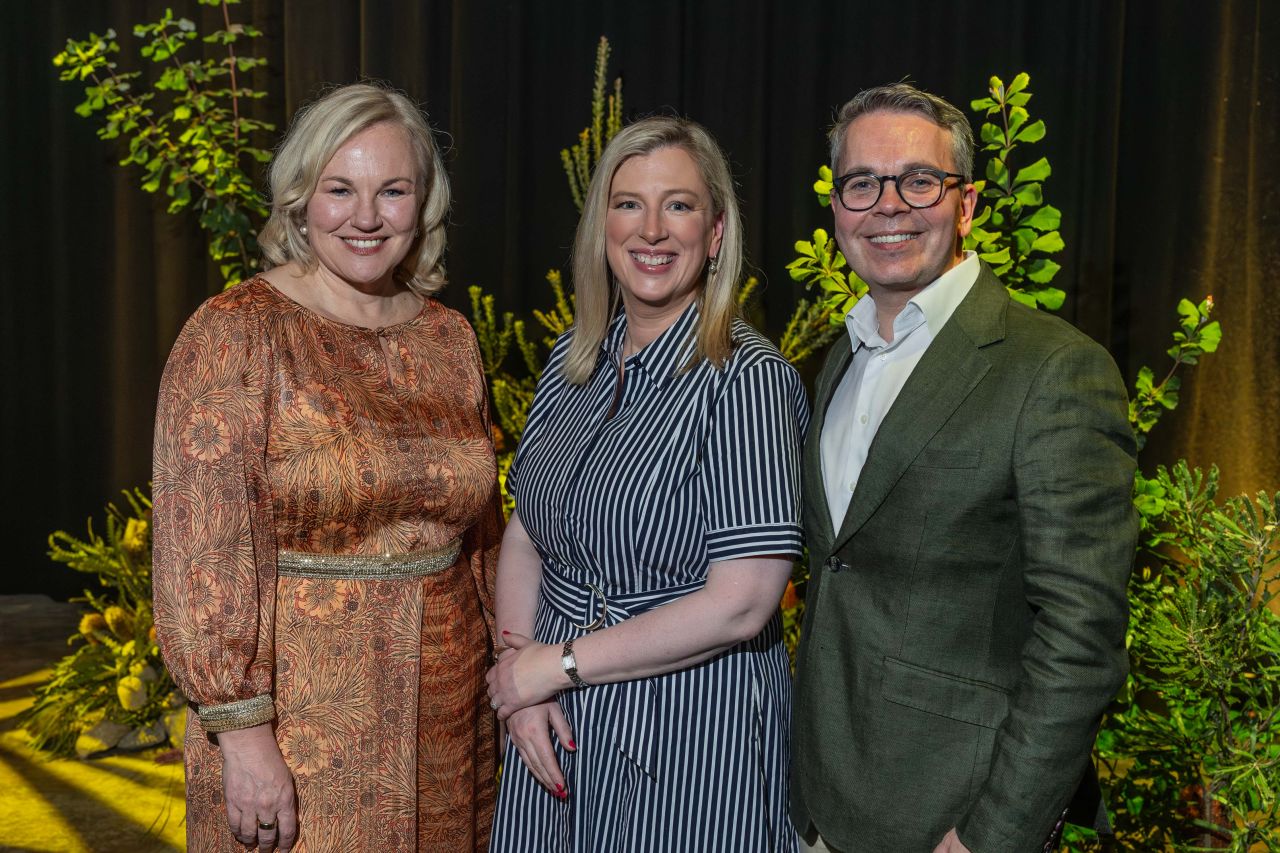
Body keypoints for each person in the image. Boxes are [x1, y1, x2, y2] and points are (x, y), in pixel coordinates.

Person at [152, 83, 502, 853]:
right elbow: (199, 550)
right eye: (340, 189)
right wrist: (242, 733)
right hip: (300, 728)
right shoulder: (235, 332)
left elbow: (485, 538)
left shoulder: (450, 339)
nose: (367, 216)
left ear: (425, 203)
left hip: (454, 721)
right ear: (300, 199)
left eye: (393, 190)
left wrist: (509, 674)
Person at [789, 82, 1138, 853]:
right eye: (862, 184)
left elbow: (1082, 638)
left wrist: (992, 835)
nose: (889, 205)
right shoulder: (840, 357)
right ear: (838, 208)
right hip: (822, 806)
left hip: (952, 816)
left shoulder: (1054, 369)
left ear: (968, 203)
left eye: (919, 180)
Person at [484, 116, 807, 852]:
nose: (652, 229)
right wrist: (517, 675)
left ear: (717, 232)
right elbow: (526, 534)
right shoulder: (573, 357)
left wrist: (553, 665)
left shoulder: (748, 381)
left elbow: (742, 604)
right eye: (629, 203)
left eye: (680, 205)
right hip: (555, 718)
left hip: (685, 724)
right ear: (602, 225)